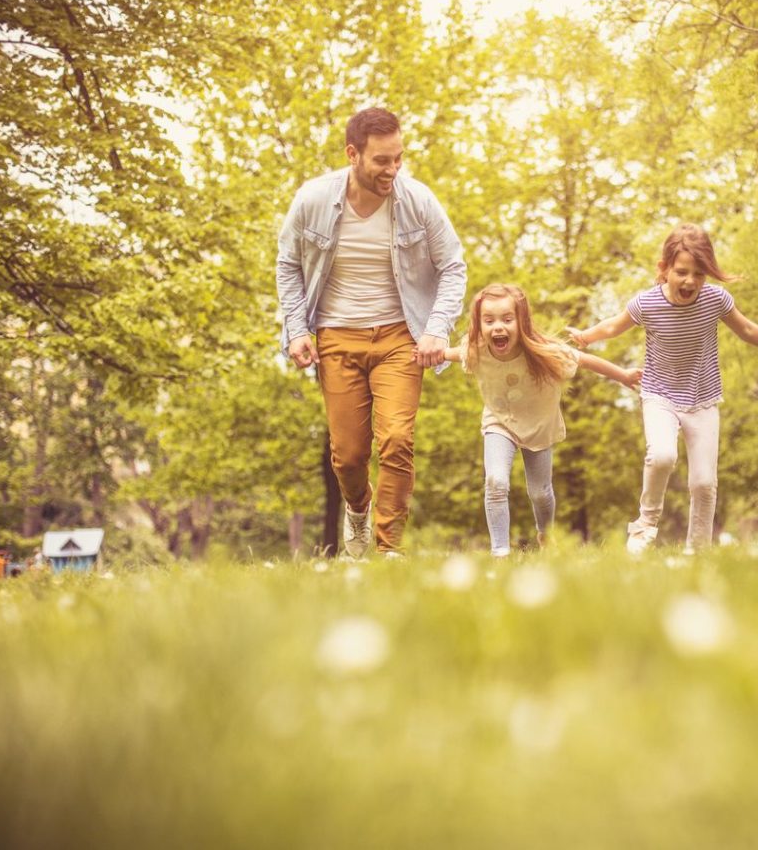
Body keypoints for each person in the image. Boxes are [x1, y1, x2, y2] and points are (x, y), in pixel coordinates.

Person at [275, 106, 466, 558]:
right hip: (337, 336)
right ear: (353, 154)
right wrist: (297, 328)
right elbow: (287, 264)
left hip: (401, 337)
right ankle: (357, 511)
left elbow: (453, 266)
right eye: (382, 160)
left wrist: (436, 329)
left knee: (397, 439)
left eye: (399, 158)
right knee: (349, 454)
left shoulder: (417, 200)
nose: (393, 169)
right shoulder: (313, 199)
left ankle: (388, 550)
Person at [569, 224, 758, 554]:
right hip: (659, 396)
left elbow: (746, 328)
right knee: (662, 455)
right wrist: (586, 337)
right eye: (681, 272)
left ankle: (697, 551)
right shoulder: (647, 303)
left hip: (703, 399)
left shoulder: (716, 300)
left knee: (703, 483)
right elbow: (613, 325)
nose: (690, 281)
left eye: (699, 274)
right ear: (664, 270)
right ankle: (645, 525)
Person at [442, 284, 642, 556]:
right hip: (499, 423)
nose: (498, 327)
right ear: (479, 324)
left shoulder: (544, 350)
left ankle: (545, 533)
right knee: (496, 482)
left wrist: (624, 375)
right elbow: (450, 354)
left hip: (539, 427)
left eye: (507, 319)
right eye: (489, 321)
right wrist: (429, 353)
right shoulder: (476, 351)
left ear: (521, 321)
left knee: (540, 492)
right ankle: (499, 552)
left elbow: (584, 360)